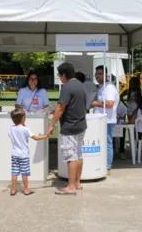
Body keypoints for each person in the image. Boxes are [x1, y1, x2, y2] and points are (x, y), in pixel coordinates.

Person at [47, 62, 87, 195]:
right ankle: (77, 183)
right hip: (81, 125)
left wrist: (51, 124)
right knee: (78, 154)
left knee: (71, 156)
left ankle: (70, 187)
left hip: (70, 126)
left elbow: (60, 107)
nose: (59, 78)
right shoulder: (81, 86)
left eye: (59, 75)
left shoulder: (67, 87)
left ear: (64, 75)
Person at [8, 107, 49, 196]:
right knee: (24, 173)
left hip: (15, 154)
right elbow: (35, 138)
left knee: (14, 172)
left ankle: (13, 190)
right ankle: (26, 190)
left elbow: (11, 135)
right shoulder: (25, 129)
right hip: (23, 155)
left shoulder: (11, 128)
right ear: (23, 119)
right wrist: (46, 136)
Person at [92, 65, 119, 173]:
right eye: (96, 73)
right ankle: (102, 164)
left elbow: (110, 103)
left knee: (107, 143)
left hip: (107, 120)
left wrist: (95, 103)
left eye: (100, 73)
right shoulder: (101, 87)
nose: (97, 76)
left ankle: (107, 166)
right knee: (101, 143)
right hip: (100, 120)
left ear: (105, 75)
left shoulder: (109, 88)